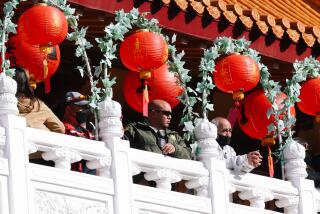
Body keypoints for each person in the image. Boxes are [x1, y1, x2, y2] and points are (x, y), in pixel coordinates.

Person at [123, 99, 192, 160]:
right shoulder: (134, 129)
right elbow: (121, 150)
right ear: (153, 113)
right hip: (145, 173)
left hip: (171, 173)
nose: (170, 117)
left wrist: (175, 149)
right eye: (166, 113)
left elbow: (190, 155)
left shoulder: (174, 135)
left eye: (171, 114)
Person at [13, 66, 65, 133]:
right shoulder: (38, 104)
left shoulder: (4, 102)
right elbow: (60, 128)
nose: (33, 80)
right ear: (26, 84)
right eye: (30, 79)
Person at [54, 91, 95, 173]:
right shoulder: (62, 129)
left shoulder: (85, 129)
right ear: (68, 108)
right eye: (81, 106)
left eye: (85, 107)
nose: (84, 110)